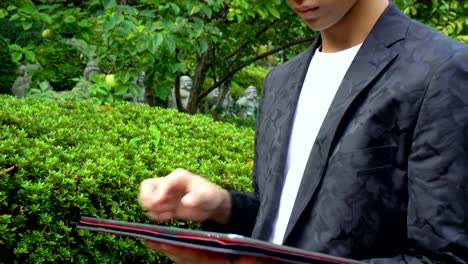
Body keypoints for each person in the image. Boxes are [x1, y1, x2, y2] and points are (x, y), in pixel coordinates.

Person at [139, 0, 468, 263]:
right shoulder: (281, 81)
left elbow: (445, 256)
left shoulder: (441, 70)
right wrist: (224, 208)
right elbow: (288, 224)